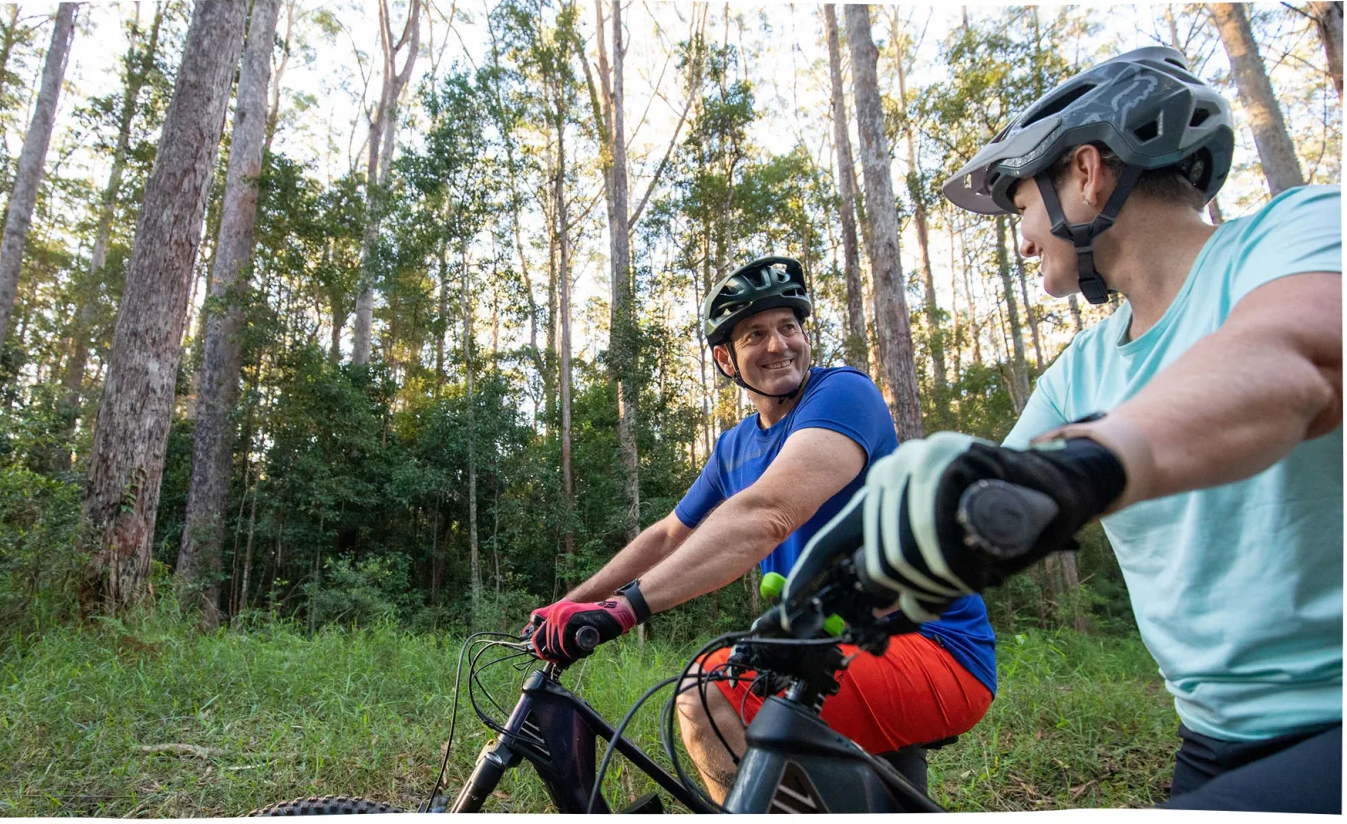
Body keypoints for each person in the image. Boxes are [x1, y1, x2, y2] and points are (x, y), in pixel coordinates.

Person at [845, 46, 1340, 812]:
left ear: (1086, 172)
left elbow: (1301, 361)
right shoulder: (1081, 373)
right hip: (1210, 741)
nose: (1021, 240)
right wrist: (860, 581)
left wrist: (1089, 461)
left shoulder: (1295, 234)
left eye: (1020, 210)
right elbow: (987, 488)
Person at [524, 257, 997, 801]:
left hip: (932, 648)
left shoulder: (843, 394)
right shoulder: (733, 447)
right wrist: (569, 604)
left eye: (788, 327)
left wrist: (625, 609)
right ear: (726, 359)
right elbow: (668, 535)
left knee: (707, 696)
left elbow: (768, 512)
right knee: (722, 691)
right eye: (755, 334)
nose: (778, 345)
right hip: (824, 648)